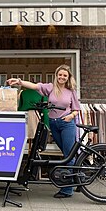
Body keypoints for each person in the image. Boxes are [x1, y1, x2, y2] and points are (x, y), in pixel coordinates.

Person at [7, 64, 80, 198]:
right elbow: (35, 86)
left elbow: (76, 109)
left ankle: (67, 189)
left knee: (68, 155)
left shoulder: (71, 91)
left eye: (65, 75)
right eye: (60, 75)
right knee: (66, 153)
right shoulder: (50, 88)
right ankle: (78, 179)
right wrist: (19, 82)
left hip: (66, 124)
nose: (62, 77)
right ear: (56, 75)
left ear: (68, 77)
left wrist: (70, 116)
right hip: (53, 123)